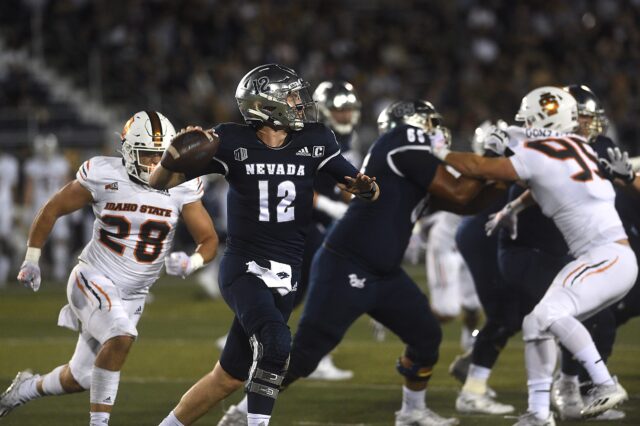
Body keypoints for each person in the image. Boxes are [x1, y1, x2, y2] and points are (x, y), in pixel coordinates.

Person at [219, 99, 504, 426]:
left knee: (426, 336)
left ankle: (412, 411)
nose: (437, 131)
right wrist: (495, 161)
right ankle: (242, 413)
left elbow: (467, 203)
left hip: (383, 272)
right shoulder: (401, 140)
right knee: (305, 355)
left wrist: (503, 175)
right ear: (415, 123)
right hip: (346, 264)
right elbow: (459, 193)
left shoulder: (410, 163)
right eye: (431, 123)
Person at [151, 64, 379, 426]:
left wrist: (366, 188)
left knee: (227, 377)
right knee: (275, 343)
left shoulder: (317, 139)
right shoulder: (230, 140)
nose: (300, 103)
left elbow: (363, 186)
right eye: (291, 96)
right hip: (244, 266)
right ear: (266, 104)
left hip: (288, 271)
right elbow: (159, 182)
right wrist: (169, 159)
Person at [0, 111, 218, 425]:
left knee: (82, 377)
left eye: (161, 155)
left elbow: (208, 239)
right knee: (121, 334)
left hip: (133, 295)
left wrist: (193, 261)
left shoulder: (183, 186)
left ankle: (25, 389)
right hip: (93, 276)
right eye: (147, 155)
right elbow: (51, 209)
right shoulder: (103, 174)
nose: (155, 164)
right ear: (128, 151)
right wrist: (31, 259)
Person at [433, 86, 635, 426]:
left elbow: (479, 166)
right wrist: (513, 205)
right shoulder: (578, 146)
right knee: (535, 323)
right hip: (610, 258)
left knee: (549, 314)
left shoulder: (537, 153)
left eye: (528, 118)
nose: (523, 123)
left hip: (603, 257)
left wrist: (439, 151)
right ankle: (538, 414)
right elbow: (547, 178)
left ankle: (603, 382)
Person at [24, 134, 71, 281]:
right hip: (41, 205)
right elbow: (29, 189)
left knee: (59, 238)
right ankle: (41, 269)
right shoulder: (33, 165)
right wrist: (26, 207)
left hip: (56, 204)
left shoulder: (61, 163)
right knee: (39, 240)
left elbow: (67, 185)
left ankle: (59, 270)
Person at [0, 152, 19, 286]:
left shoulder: (9, 163)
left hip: (4, 205)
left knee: (4, 240)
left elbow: (13, 188)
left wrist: (13, 208)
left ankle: (3, 274)